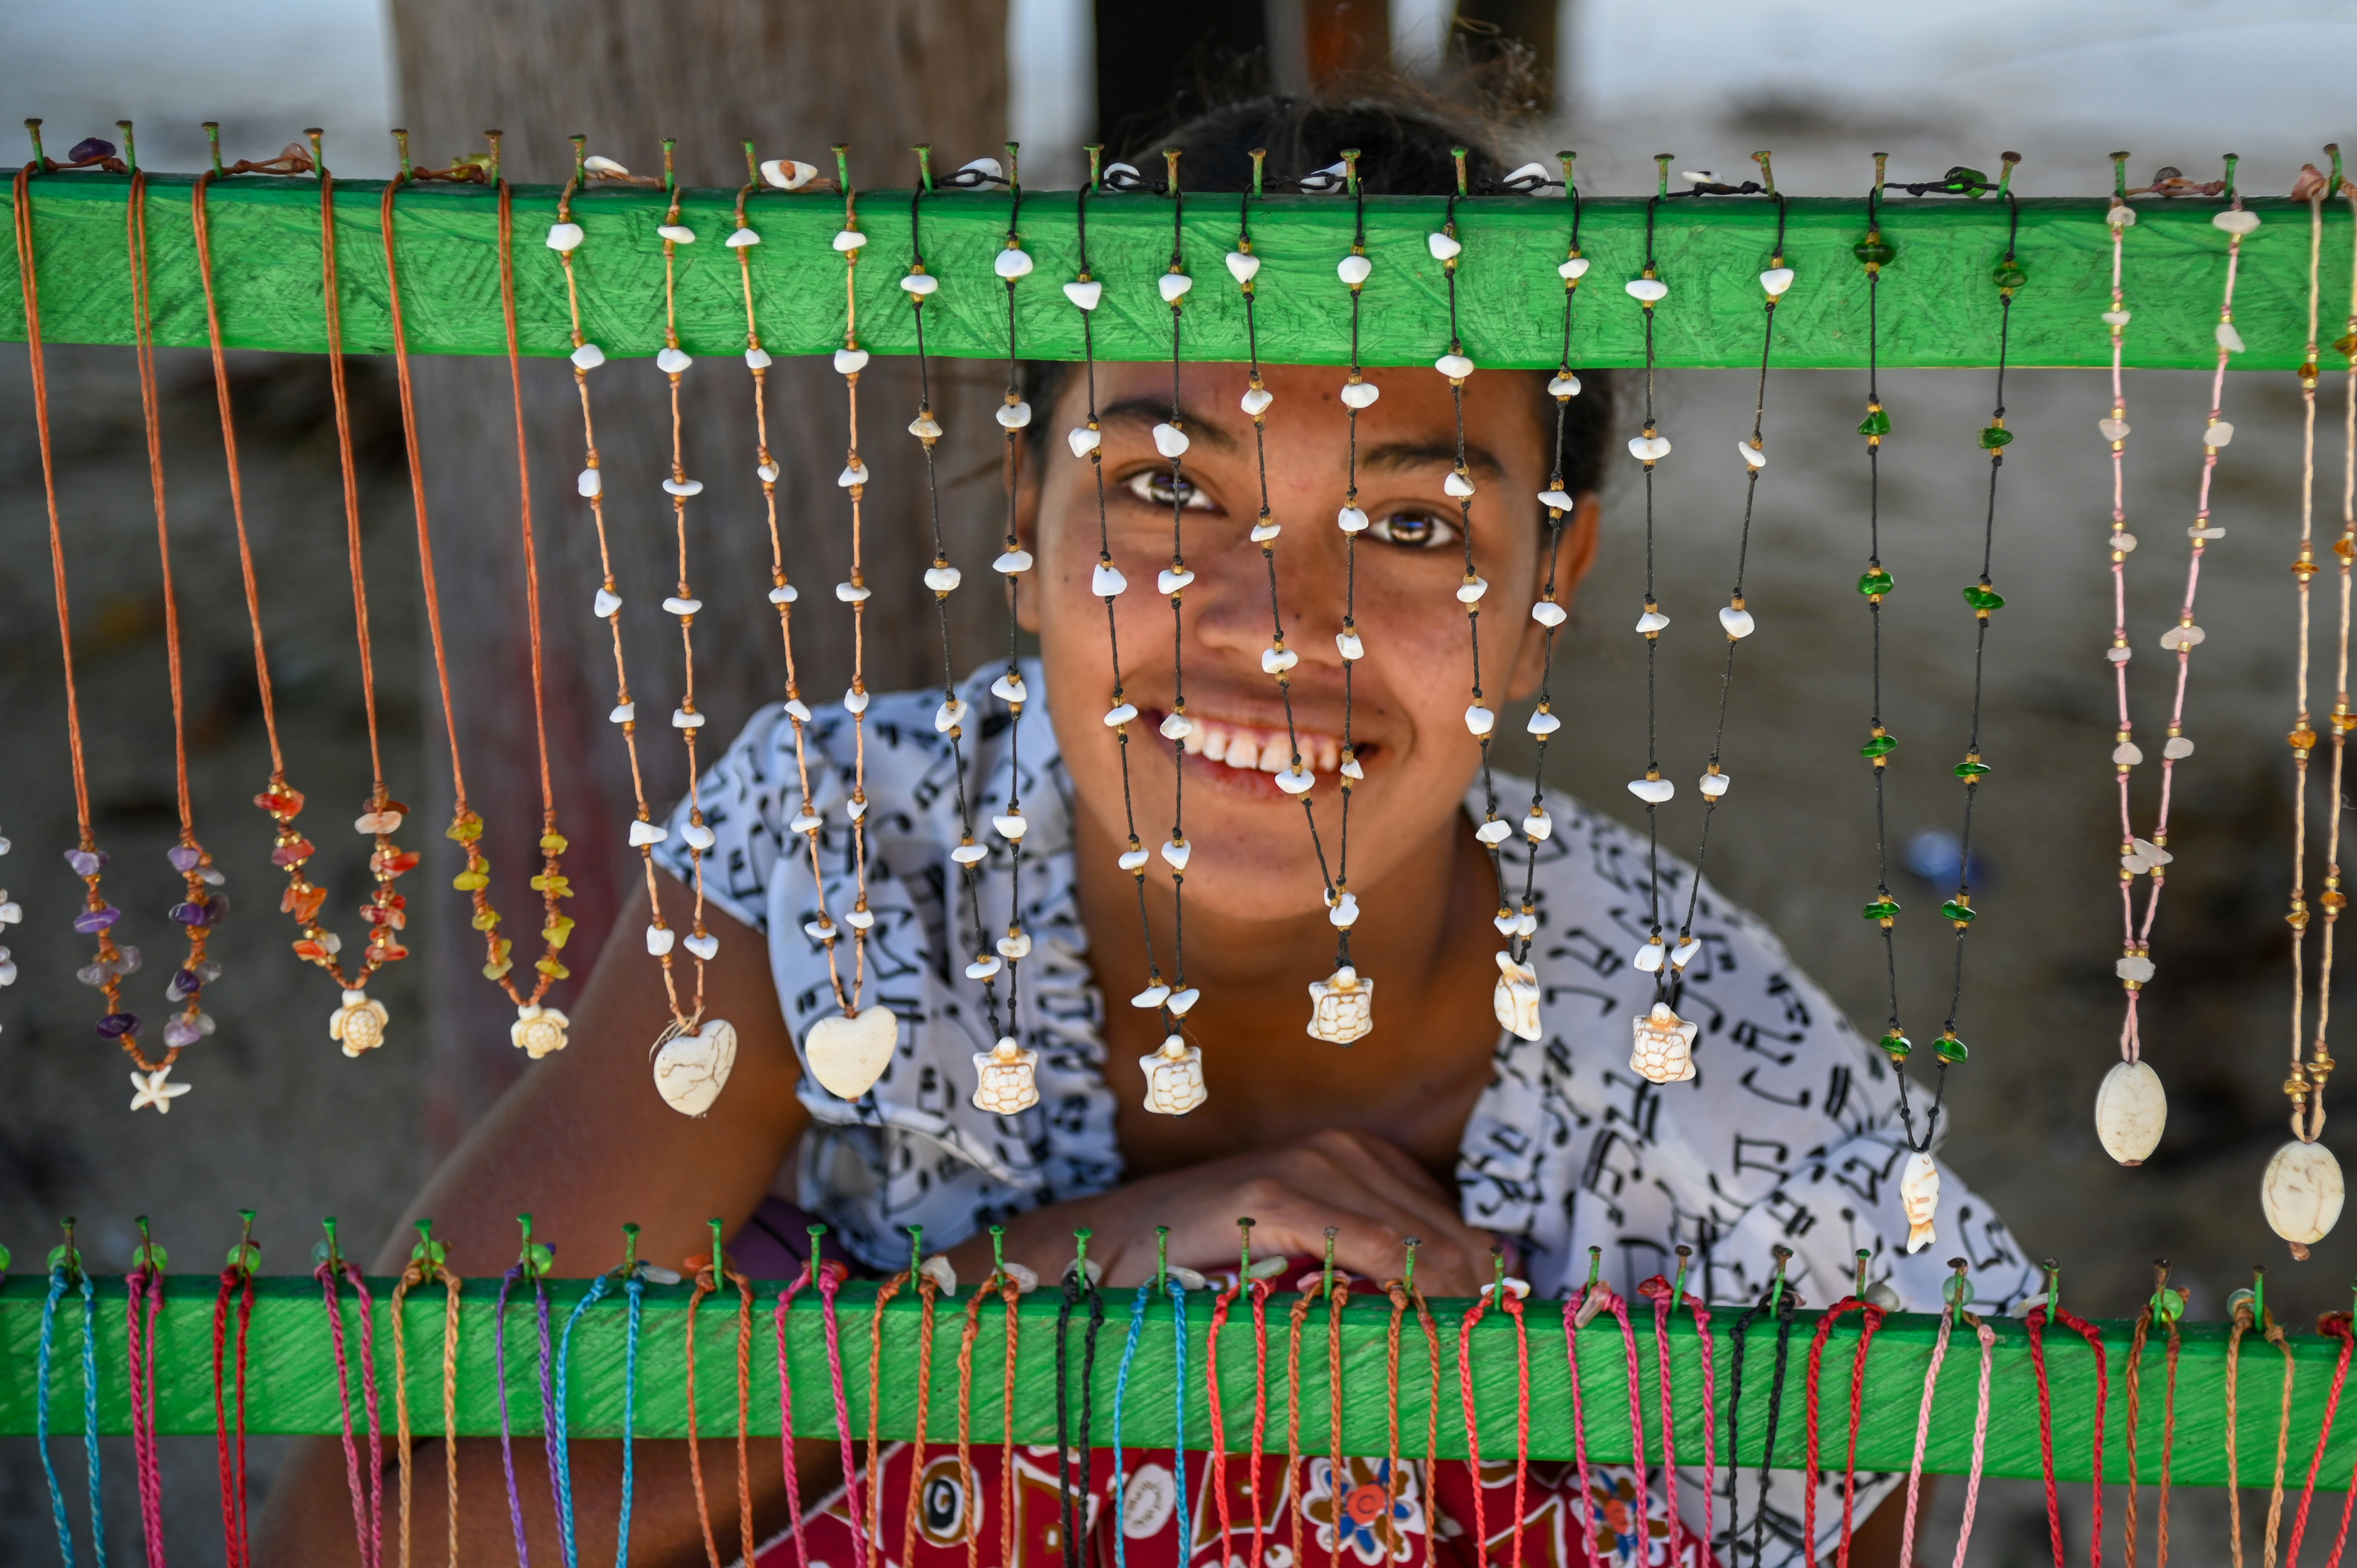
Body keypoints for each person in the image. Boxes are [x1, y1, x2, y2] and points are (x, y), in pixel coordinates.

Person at [262, 84, 2034, 1568]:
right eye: (1167, 490)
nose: (1277, 626)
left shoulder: (1710, 1094)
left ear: (1548, 579)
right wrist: (1011, 1307)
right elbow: (345, 1528)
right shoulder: (840, 871)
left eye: (1413, 528)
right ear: (1026, 520)